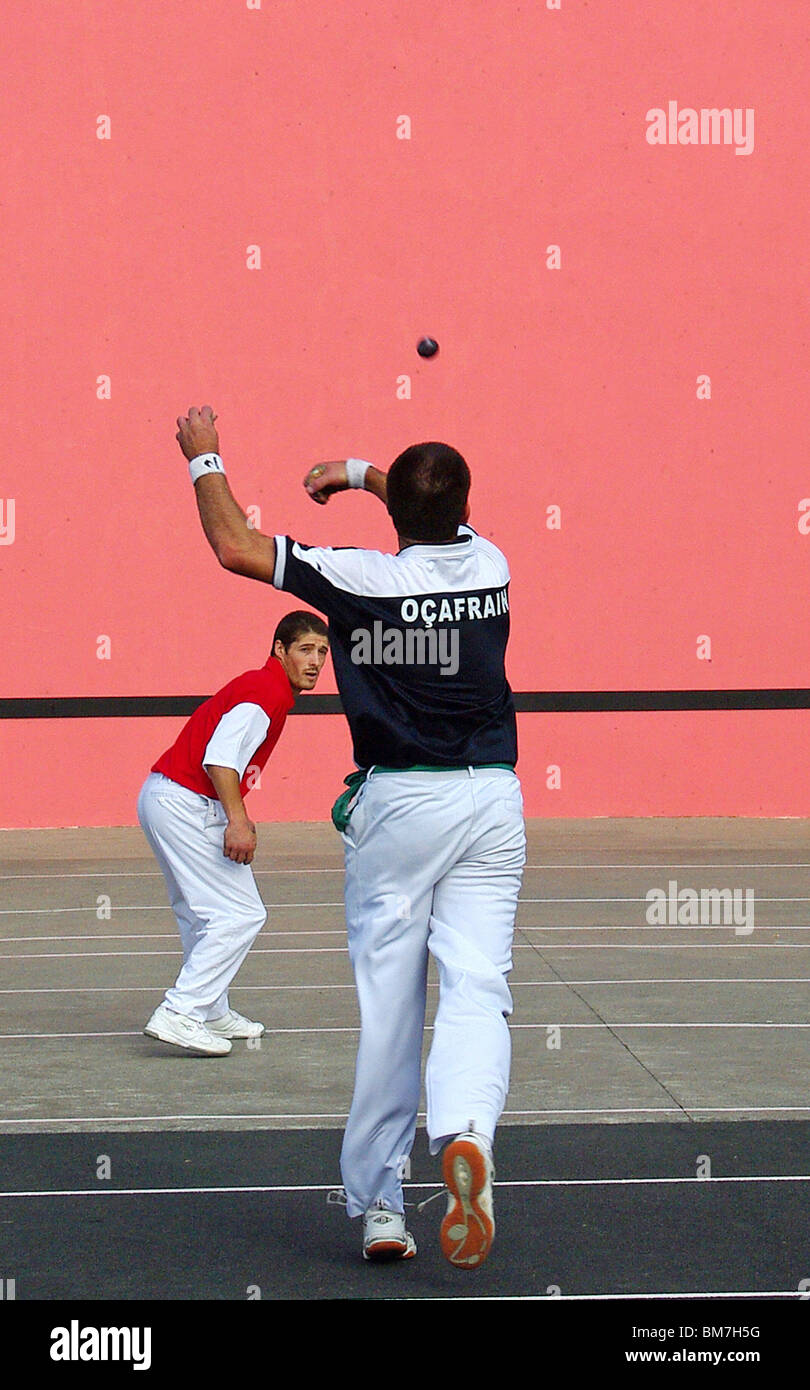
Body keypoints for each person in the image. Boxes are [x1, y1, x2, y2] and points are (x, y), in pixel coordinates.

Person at [175, 406, 525, 1266]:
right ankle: (466, 1134)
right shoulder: (492, 564)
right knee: (479, 986)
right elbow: (426, 511)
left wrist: (202, 457)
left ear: (396, 517)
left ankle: (379, 1208)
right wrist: (363, 471)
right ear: (465, 508)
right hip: (493, 804)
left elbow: (236, 547)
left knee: (392, 1011)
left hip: (401, 809)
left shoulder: (361, 578)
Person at [138, 609, 330, 1056]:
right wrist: (237, 820)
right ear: (279, 650)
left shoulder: (267, 688)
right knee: (240, 914)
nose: (316, 661)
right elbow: (219, 760)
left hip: (167, 797)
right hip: (184, 802)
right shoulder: (264, 692)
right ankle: (181, 1011)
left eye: (322, 652)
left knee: (200, 914)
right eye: (305, 649)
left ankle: (208, 1009)